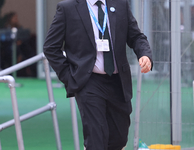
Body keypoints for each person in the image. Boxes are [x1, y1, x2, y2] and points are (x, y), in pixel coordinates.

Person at [43, 0, 153, 149]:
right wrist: (70, 77)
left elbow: (136, 36)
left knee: (119, 138)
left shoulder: (120, 4)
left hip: (117, 81)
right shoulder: (68, 8)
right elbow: (50, 47)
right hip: (89, 81)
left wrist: (145, 55)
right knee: (96, 137)